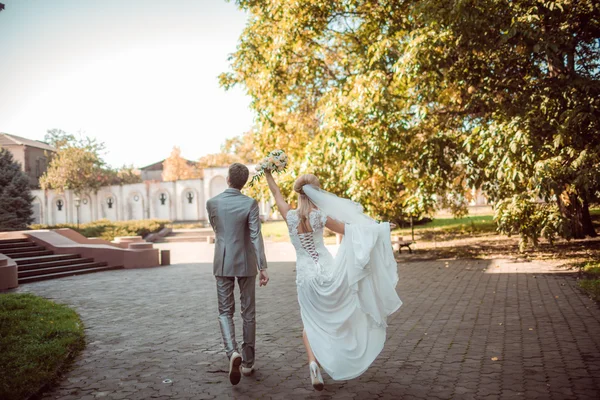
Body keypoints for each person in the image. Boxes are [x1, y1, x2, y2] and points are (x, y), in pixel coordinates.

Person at [264, 170, 402, 391]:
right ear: (316, 193)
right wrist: (381, 228)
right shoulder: (320, 216)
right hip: (328, 271)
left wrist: (269, 173)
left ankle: (313, 364)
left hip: (305, 275)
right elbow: (353, 231)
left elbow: (276, 193)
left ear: (298, 193)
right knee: (334, 317)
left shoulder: (289, 215)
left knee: (309, 322)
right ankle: (337, 354)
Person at [206, 163, 269, 386]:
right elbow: (255, 236)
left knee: (225, 312)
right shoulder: (250, 203)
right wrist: (263, 266)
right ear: (243, 182)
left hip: (222, 262)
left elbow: (217, 229)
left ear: (228, 179)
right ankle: (248, 363)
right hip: (246, 262)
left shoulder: (212, 203)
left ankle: (232, 351)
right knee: (248, 312)